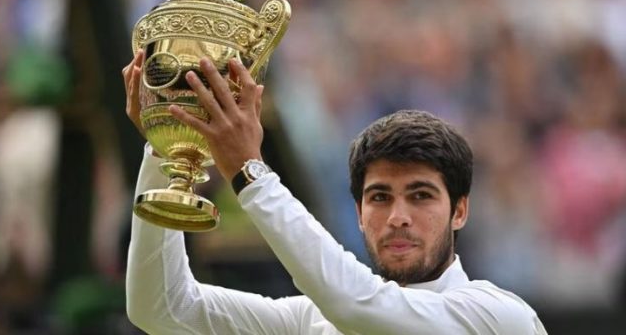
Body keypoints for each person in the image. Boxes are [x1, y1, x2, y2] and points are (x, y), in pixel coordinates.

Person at [123, 52, 548, 334]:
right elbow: (160, 307)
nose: (398, 216)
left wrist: (250, 172)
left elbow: (358, 307)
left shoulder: (498, 317)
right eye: (380, 197)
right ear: (359, 213)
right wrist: (168, 145)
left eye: (420, 196)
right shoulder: (311, 321)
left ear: (460, 212)